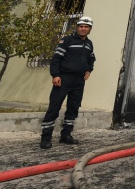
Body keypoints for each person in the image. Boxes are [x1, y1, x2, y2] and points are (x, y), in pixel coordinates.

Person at [40, 16, 95, 149]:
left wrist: (89, 70)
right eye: (81, 26)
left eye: (86, 27)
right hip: (63, 79)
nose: (83, 28)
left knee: (73, 108)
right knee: (54, 107)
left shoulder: (89, 44)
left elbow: (91, 58)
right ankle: (46, 138)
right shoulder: (67, 40)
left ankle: (66, 136)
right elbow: (56, 58)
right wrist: (55, 75)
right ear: (77, 27)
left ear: (90, 29)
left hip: (78, 81)